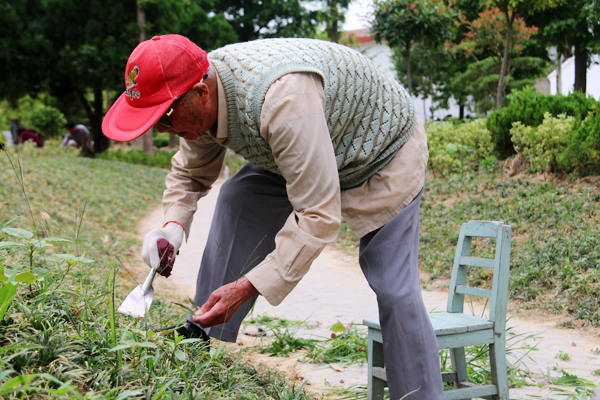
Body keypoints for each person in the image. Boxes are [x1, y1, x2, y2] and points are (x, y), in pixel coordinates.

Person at [102, 34, 445, 399]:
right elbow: (190, 173)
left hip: (381, 150)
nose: (161, 128)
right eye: (155, 118)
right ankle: (201, 332)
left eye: (165, 116)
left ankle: (420, 395)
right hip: (308, 142)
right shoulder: (194, 90)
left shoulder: (282, 101)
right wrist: (172, 227)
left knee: (394, 287)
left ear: (201, 94)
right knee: (238, 197)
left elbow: (318, 215)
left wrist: (249, 285)